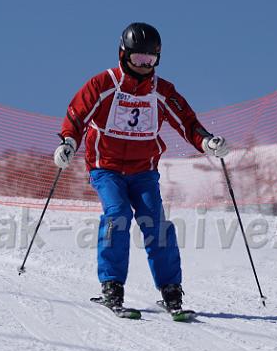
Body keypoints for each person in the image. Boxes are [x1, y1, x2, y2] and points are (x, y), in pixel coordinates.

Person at [55, 22, 229, 316]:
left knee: (155, 223)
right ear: (123, 55)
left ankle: (171, 290)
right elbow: (77, 114)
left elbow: (186, 122)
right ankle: (112, 285)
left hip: (143, 171)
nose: (144, 66)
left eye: (150, 60)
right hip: (106, 167)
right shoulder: (104, 84)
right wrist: (68, 142)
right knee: (117, 215)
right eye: (138, 58)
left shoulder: (162, 91)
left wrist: (207, 142)